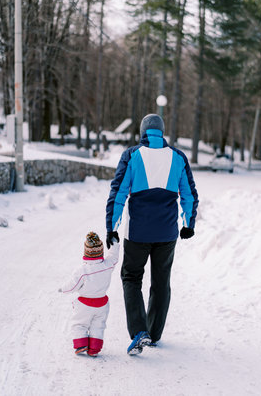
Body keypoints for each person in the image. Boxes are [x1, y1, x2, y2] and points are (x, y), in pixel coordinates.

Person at [106, 114, 199, 355]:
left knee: (131, 277)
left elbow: (119, 192)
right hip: (167, 233)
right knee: (161, 282)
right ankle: (154, 333)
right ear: (162, 131)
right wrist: (188, 223)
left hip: (138, 232)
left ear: (143, 131)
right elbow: (189, 193)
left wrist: (111, 226)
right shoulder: (178, 157)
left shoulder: (132, 155)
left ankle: (139, 331)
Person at [59, 231, 119, 356]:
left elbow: (72, 286)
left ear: (86, 252)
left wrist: (63, 289)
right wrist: (114, 242)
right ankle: (94, 349)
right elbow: (114, 256)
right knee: (98, 326)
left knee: (79, 324)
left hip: (85, 304)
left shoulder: (82, 271)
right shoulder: (107, 265)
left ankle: (81, 345)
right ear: (101, 251)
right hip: (102, 304)